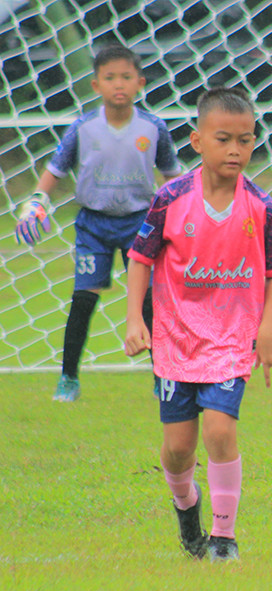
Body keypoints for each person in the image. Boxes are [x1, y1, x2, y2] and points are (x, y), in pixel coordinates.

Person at [123, 87, 272, 562]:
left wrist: (266, 330)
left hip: (231, 340)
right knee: (178, 450)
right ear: (198, 141)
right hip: (175, 342)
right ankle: (187, 509)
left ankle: (224, 537)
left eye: (246, 140)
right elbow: (140, 259)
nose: (236, 150)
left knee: (220, 432)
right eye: (224, 139)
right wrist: (135, 320)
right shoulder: (170, 198)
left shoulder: (261, 207)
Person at [14, 42, 183, 402]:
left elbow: (172, 178)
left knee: (152, 300)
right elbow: (54, 170)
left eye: (126, 77)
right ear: (96, 85)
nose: (118, 84)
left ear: (140, 82)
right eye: (109, 78)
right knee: (83, 298)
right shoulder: (83, 128)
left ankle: (162, 376)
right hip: (93, 224)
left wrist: (181, 214)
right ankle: (68, 378)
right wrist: (36, 201)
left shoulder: (153, 128)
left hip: (141, 222)